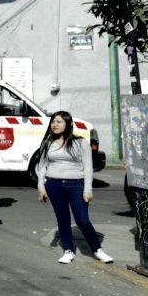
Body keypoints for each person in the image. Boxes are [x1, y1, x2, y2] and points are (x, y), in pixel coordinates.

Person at [36, 111, 113, 264]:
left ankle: (97, 250)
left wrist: (88, 189)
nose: (55, 125)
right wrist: (41, 187)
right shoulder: (47, 142)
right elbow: (41, 166)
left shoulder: (80, 142)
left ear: (69, 124)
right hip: (53, 184)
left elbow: (88, 167)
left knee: (82, 219)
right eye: (53, 122)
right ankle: (68, 250)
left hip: (76, 185)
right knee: (63, 219)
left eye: (59, 122)